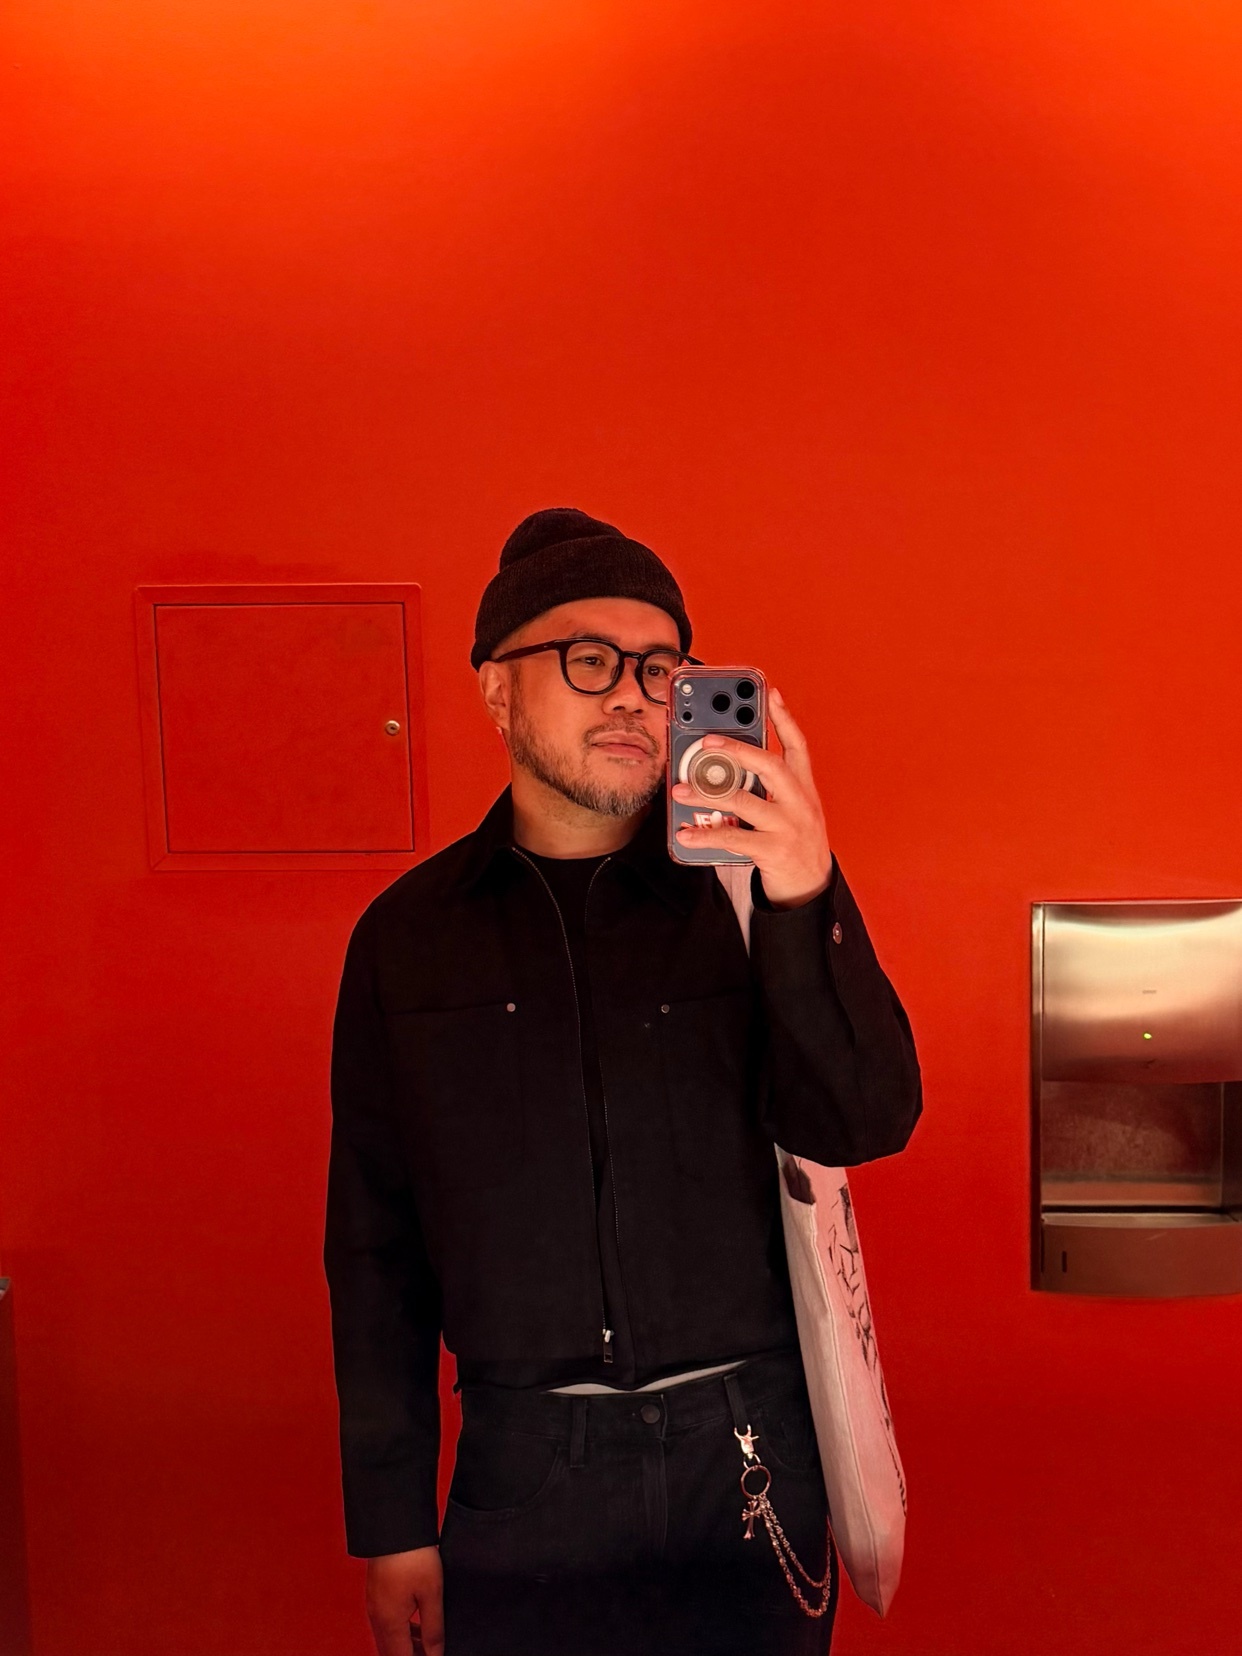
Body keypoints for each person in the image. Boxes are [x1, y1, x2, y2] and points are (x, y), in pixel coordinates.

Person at [323, 508, 922, 1656]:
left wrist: (805, 890)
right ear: (498, 690)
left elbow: (866, 1117)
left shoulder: (750, 891)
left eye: (661, 670)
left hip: (748, 1454)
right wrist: (391, 1525)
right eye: (589, 660)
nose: (635, 698)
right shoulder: (408, 939)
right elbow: (374, 1249)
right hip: (525, 1471)